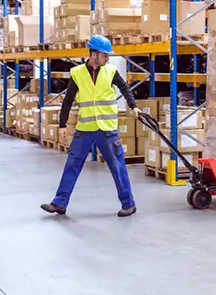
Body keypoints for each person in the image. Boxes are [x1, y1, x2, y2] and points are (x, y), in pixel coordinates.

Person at [41, 35, 141, 217]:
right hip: (85, 129)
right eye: (104, 54)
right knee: (72, 164)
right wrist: (62, 124)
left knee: (117, 166)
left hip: (107, 129)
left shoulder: (110, 71)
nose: (108, 58)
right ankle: (59, 203)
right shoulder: (77, 73)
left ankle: (129, 204)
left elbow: (125, 88)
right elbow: (68, 100)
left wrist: (133, 106)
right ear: (93, 54)